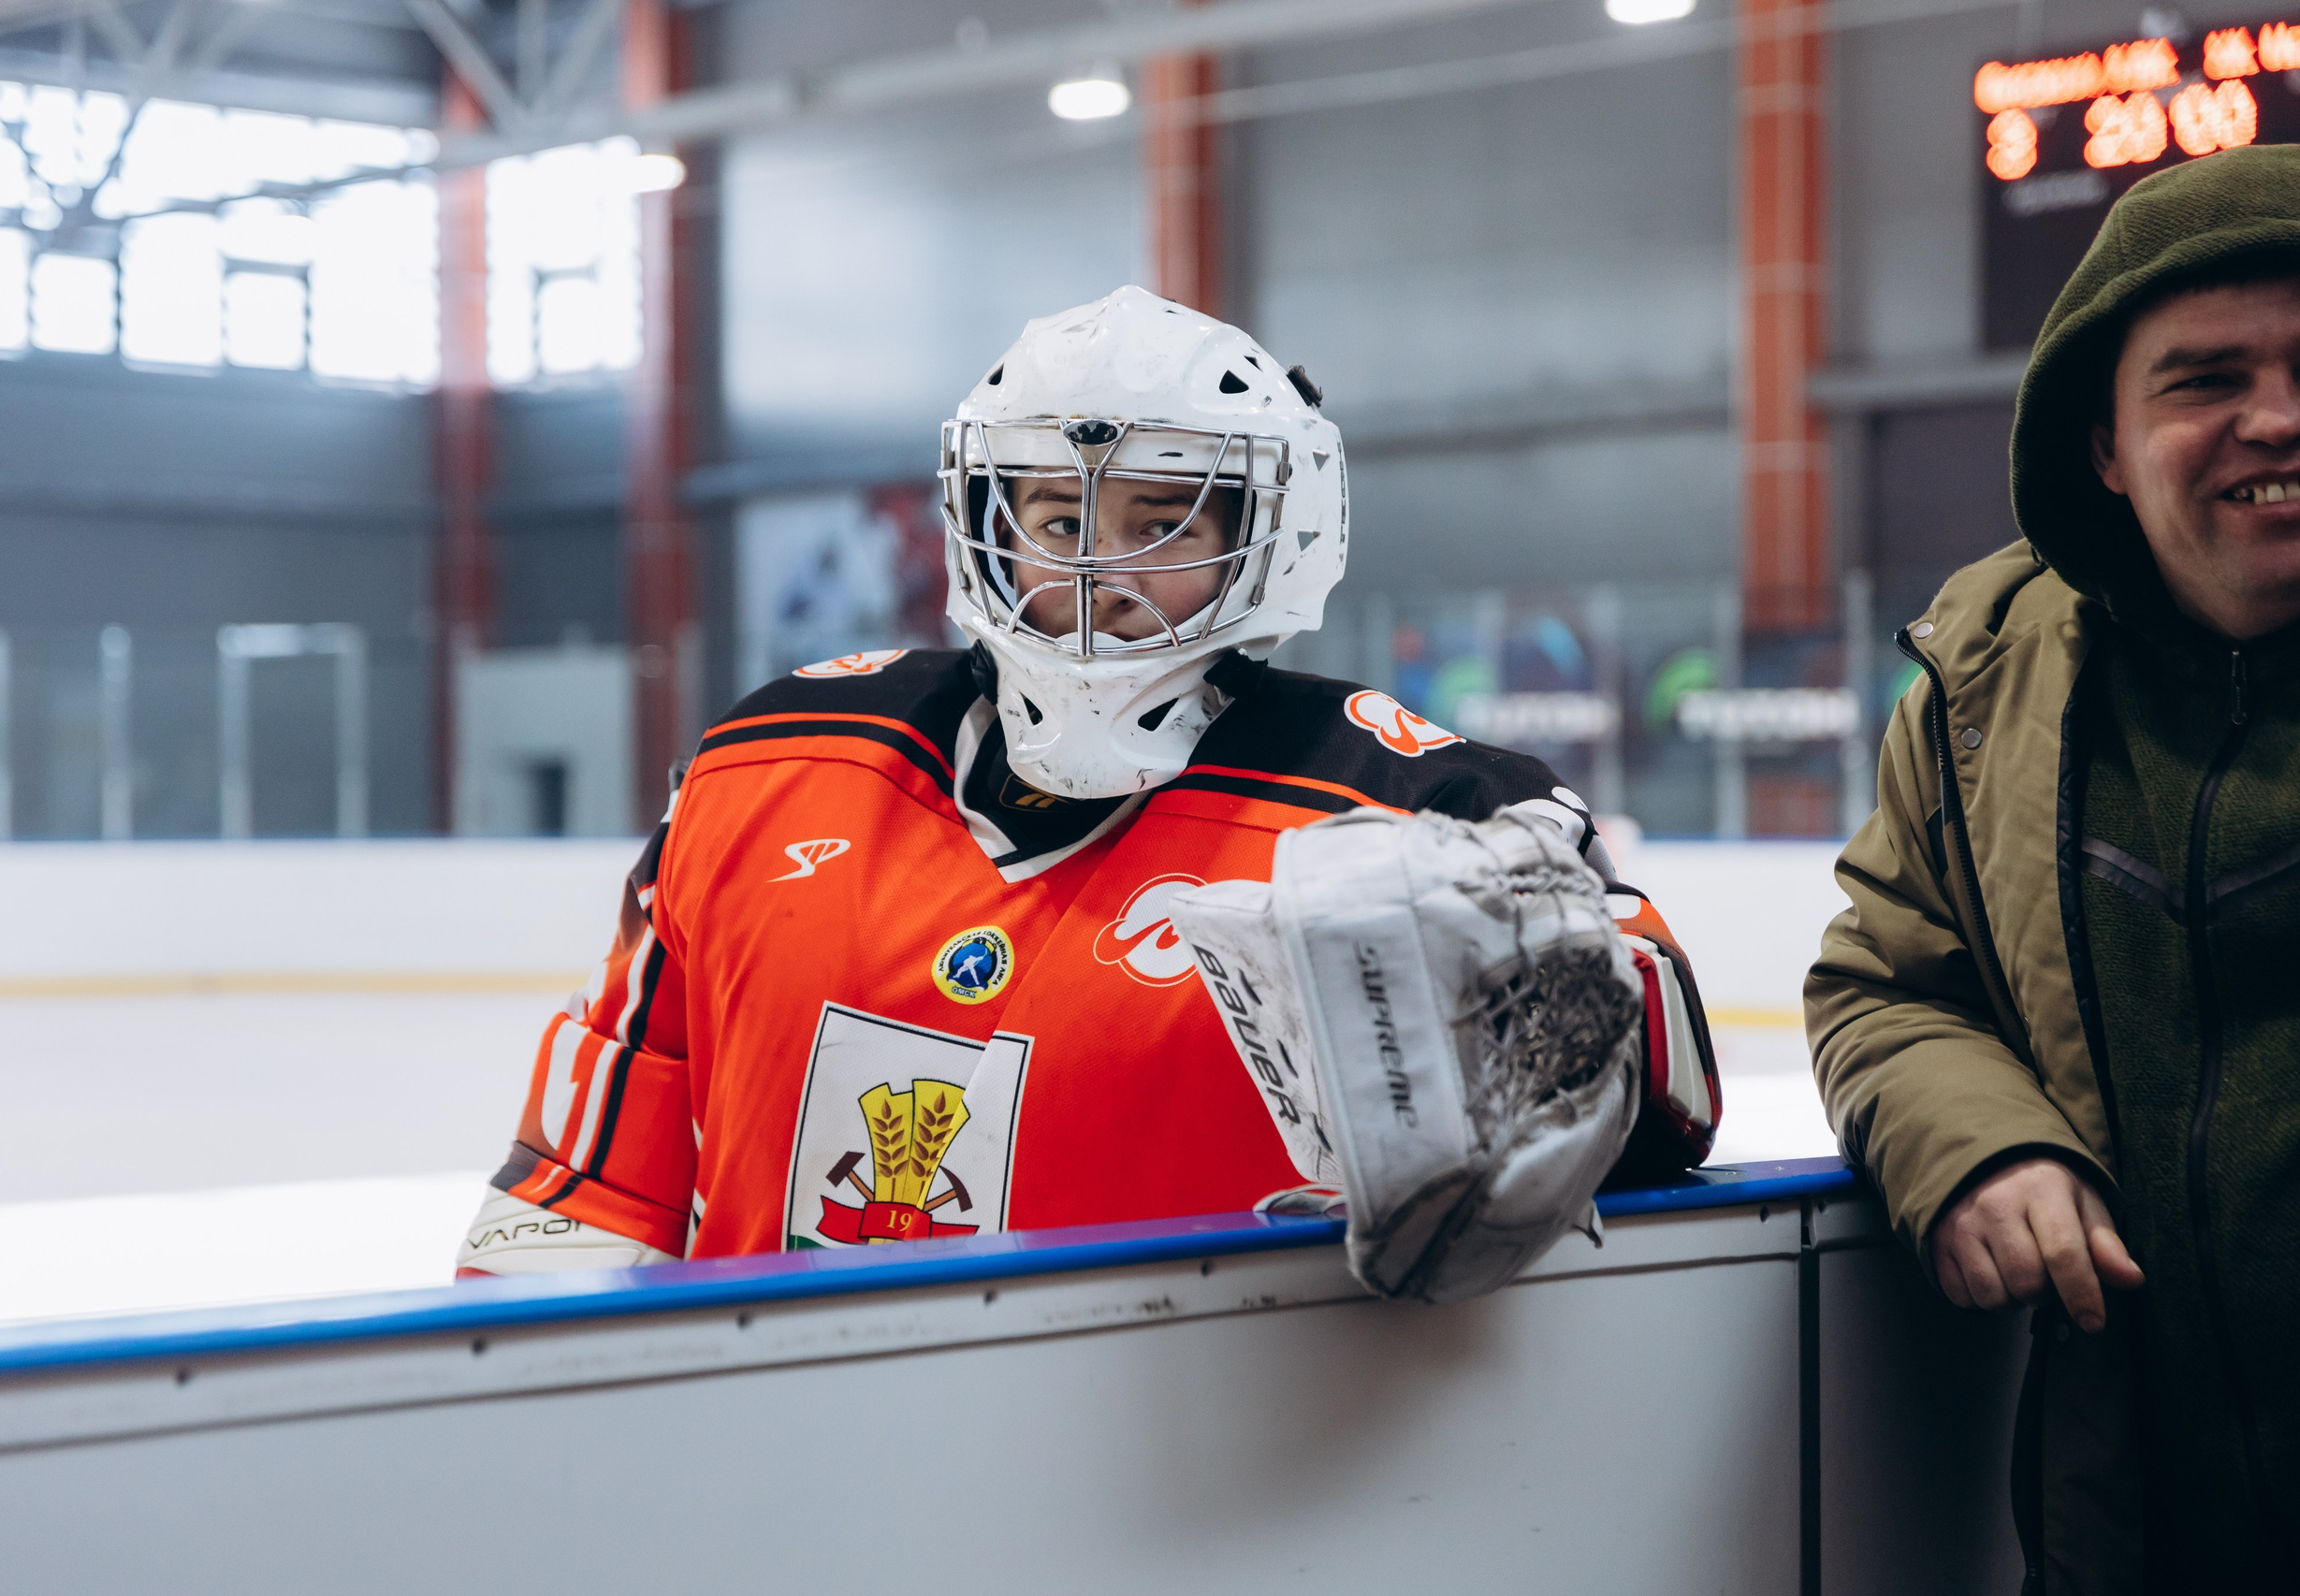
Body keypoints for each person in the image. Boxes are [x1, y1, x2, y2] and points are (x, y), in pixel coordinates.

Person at [458, 285, 1718, 1274]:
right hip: (779, 1484)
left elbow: (1669, 1092)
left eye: (1161, 519)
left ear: (1267, 536)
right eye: (1058, 518)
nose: (1092, 570)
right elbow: (577, 1196)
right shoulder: (765, 765)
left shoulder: (1425, 815)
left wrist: (1565, 1024)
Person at [1808, 146, 2300, 1590]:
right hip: (2137, 1537)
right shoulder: (1988, 686)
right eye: (2205, 379)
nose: (2278, 418)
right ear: (2103, 442)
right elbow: (1888, 987)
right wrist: (1981, 1146)